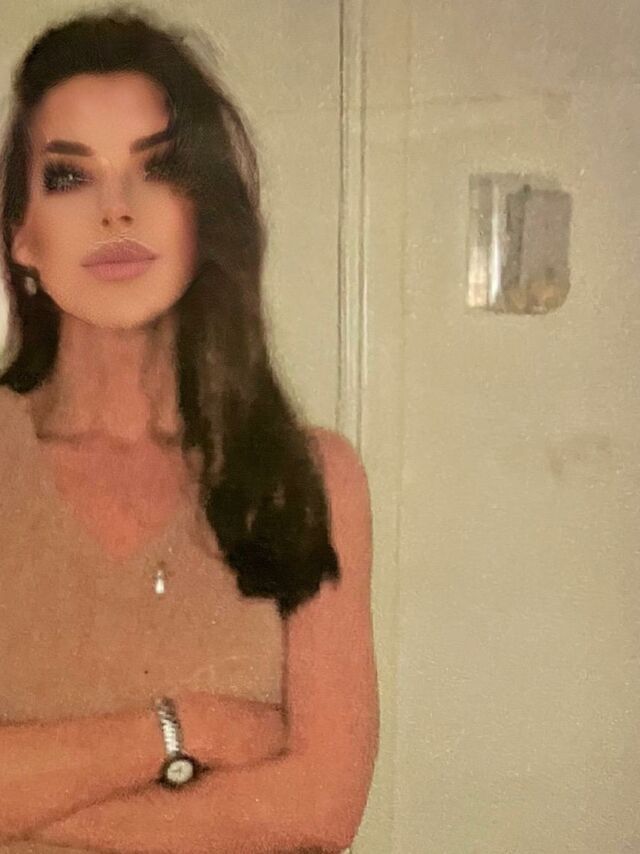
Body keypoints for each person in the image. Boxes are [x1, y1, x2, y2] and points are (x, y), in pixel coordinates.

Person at [0, 8, 377, 854]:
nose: (116, 211)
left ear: (202, 212)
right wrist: (180, 731)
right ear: (21, 234)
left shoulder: (311, 477)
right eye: (70, 176)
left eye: (157, 168)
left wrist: (31, 802)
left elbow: (321, 809)